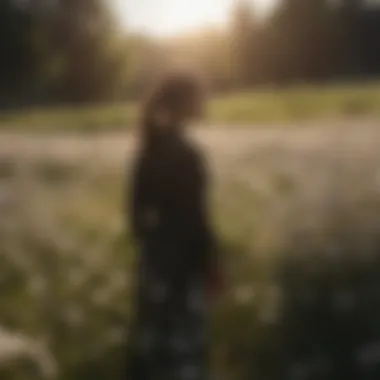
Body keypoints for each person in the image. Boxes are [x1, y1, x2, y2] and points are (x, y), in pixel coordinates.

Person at [126, 72, 222, 380]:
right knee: (185, 349)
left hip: (155, 262)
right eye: (200, 95)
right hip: (185, 265)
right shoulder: (187, 154)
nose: (206, 101)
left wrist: (153, 244)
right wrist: (211, 263)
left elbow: (135, 214)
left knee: (154, 345)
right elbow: (196, 217)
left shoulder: (148, 149)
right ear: (187, 104)